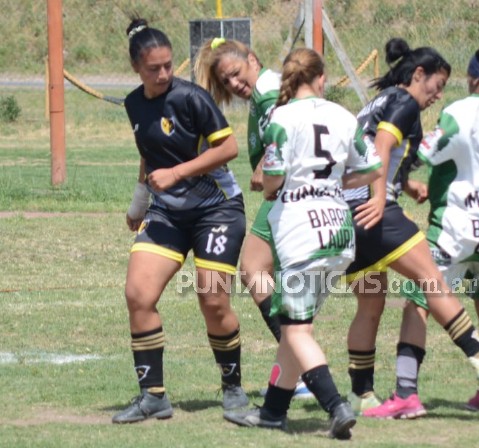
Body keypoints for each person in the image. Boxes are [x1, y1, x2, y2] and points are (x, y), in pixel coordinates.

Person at [343, 38, 479, 416]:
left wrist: (404, 184)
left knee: (370, 305)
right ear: (418, 74)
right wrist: (381, 197)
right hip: (375, 212)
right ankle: (478, 355)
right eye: (436, 86)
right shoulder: (405, 102)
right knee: (430, 281)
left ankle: (362, 395)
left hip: (349, 215)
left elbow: (371, 151)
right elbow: (381, 144)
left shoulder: (380, 100)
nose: (437, 95)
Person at [223, 48, 381, 440]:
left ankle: (336, 406)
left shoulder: (282, 117)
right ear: (321, 79)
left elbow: (271, 181)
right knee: (298, 325)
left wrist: (281, 184)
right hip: (339, 233)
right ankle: (273, 412)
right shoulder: (344, 117)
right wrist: (335, 186)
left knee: (295, 332)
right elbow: (373, 168)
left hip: (301, 233)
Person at [112, 18, 249, 424]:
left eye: (169, 65)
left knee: (213, 299)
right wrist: (139, 203)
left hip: (217, 209)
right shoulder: (133, 103)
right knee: (138, 293)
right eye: (154, 68)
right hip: (167, 211)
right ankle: (153, 396)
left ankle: (233, 388)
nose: (164, 74)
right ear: (137, 67)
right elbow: (148, 155)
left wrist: (178, 173)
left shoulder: (191, 98)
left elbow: (228, 148)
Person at [194, 38, 313, 399]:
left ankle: (304, 371)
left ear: (252, 59)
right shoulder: (266, 90)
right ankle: (299, 370)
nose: (233, 84)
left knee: (252, 269)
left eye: (235, 73)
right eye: (225, 81)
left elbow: (288, 120)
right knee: (275, 281)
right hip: (290, 194)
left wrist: (264, 164)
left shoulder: (268, 90)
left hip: (288, 194)